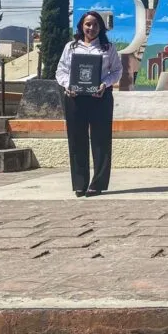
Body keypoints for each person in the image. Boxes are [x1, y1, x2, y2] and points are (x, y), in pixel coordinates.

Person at [55, 10, 122, 197]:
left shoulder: (108, 48)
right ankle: (80, 183)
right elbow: (61, 71)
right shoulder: (71, 47)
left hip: (100, 98)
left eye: (95, 25)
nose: (91, 28)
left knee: (101, 141)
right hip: (75, 98)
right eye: (88, 24)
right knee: (77, 140)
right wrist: (68, 85)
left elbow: (117, 71)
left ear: (101, 27)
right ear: (81, 26)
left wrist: (104, 84)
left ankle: (97, 184)